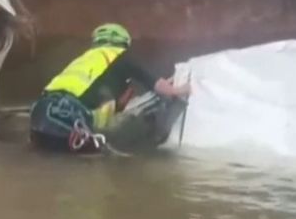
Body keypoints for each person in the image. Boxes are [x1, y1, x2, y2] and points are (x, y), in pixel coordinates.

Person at [29, 23, 189, 153]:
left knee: (49, 160)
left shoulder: (87, 59)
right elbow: (156, 84)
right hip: (68, 114)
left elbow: (105, 102)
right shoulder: (122, 56)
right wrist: (180, 90)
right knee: (98, 162)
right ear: (123, 42)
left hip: (40, 112)